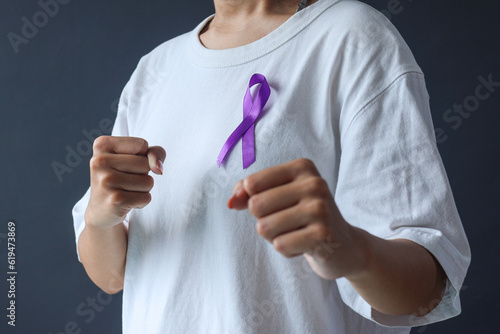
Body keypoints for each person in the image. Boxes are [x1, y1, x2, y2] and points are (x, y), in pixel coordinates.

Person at [72, 0, 471, 333]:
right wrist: (101, 218)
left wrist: (350, 248)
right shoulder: (155, 69)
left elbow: (428, 291)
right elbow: (111, 276)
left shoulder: (350, 37)